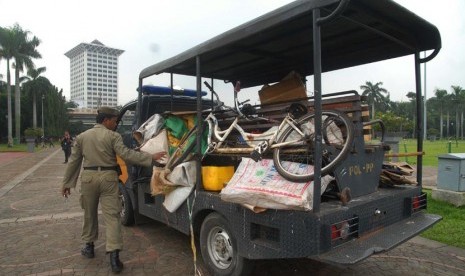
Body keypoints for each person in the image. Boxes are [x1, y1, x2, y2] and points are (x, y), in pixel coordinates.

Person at [61, 107, 166, 273]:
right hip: (109, 179)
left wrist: (66, 184)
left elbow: (74, 161)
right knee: (112, 217)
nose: (116, 124)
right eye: (114, 120)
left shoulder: (82, 137)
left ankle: (89, 248)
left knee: (89, 214)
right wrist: (150, 157)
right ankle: (114, 258)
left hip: (88, 178)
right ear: (106, 120)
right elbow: (127, 155)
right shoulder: (113, 136)